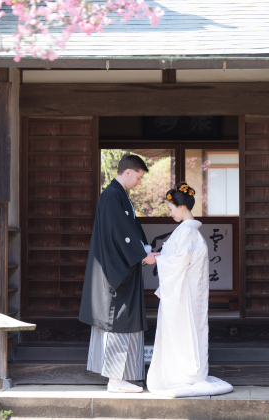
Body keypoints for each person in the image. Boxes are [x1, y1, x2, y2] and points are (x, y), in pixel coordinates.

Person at [79, 154, 160, 393]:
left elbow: (129, 230)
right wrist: (142, 255)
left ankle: (123, 376)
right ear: (128, 172)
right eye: (139, 177)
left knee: (125, 320)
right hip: (115, 272)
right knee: (118, 320)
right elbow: (119, 232)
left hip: (122, 267)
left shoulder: (118, 194)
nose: (139, 182)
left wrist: (145, 250)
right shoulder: (112, 195)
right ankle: (115, 380)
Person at [146, 183, 233, 398]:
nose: (170, 213)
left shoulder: (186, 231)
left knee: (183, 332)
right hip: (188, 293)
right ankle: (187, 373)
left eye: (170, 209)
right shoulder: (189, 231)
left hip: (183, 295)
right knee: (190, 332)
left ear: (182, 207)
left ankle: (182, 376)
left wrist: (158, 259)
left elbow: (178, 263)